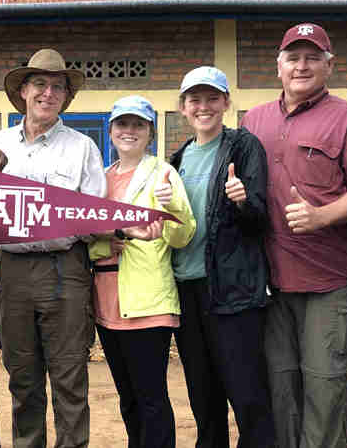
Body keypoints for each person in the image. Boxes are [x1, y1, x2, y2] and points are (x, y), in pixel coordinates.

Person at [241, 23, 347, 448]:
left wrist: (321, 217)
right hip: (273, 284)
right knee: (281, 392)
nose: (302, 66)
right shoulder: (253, 119)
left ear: (329, 65)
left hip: (332, 282)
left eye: (312, 57)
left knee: (325, 389)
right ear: (278, 65)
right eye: (293, 57)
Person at [0, 48, 106, 448]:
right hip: (14, 272)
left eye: (58, 87)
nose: (48, 93)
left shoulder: (82, 147)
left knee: (69, 377)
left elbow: (93, 216)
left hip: (65, 269)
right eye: (40, 84)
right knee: (22, 378)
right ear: (23, 90)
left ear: (66, 97)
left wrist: (51, 209)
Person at [170, 66, 276, 448]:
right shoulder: (176, 160)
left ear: (226, 103)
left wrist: (243, 200)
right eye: (195, 100)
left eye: (212, 98)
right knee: (204, 396)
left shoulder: (243, 147)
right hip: (187, 289)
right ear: (183, 108)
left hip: (234, 292)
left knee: (248, 396)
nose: (204, 106)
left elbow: (261, 218)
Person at [88, 95, 196, 448]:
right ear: (111, 131)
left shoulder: (163, 174)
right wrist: (109, 240)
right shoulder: (100, 179)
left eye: (138, 125)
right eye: (122, 124)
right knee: (128, 397)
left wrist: (173, 205)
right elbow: (90, 241)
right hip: (108, 302)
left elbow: (182, 236)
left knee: (151, 397)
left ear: (150, 132)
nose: (129, 131)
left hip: (148, 302)